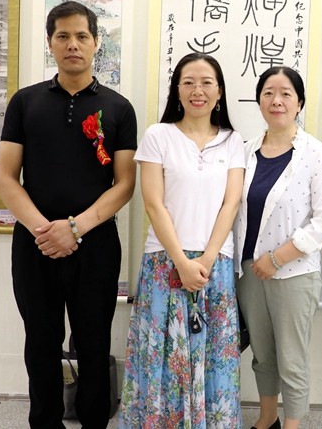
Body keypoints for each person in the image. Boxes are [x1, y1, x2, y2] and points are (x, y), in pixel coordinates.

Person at [0, 0, 138, 428]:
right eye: (63, 36)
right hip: (35, 243)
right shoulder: (25, 102)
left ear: (96, 43)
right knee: (40, 341)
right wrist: (46, 230)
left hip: (96, 244)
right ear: (50, 43)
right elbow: (5, 177)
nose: (72, 44)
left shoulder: (119, 108)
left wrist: (74, 228)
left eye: (81, 36)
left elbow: (125, 184)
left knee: (93, 343)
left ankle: (94, 422)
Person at [119, 52, 245, 429]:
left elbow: (231, 203)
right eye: (188, 82)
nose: (197, 90)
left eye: (206, 82)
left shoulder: (233, 141)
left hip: (214, 265)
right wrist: (182, 262)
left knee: (213, 355)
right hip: (165, 262)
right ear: (177, 90)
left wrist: (204, 260)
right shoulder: (158, 136)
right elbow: (154, 204)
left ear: (219, 92)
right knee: (162, 356)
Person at [233, 67, 322, 429]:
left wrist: (277, 258)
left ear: (299, 103)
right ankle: (267, 419)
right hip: (249, 273)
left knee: (292, 359)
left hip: (293, 273)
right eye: (268, 93)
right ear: (259, 101)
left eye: (286, 93)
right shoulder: (245, 151)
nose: (276, 100)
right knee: (262, 354)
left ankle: (292, 425)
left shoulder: (315, 153)